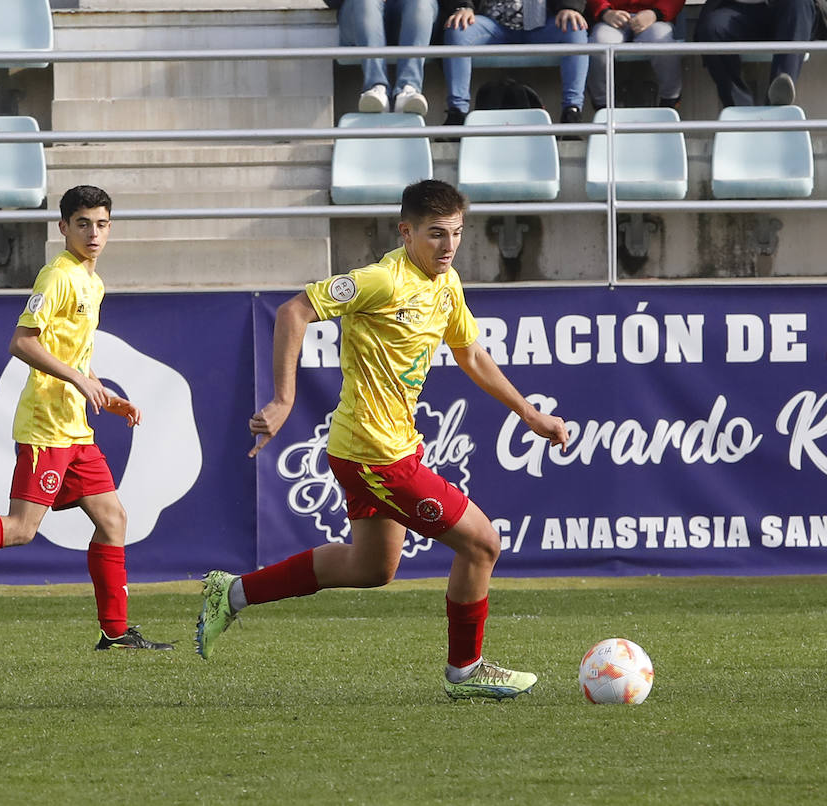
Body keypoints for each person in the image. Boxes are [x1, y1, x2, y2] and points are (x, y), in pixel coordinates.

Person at [195, 179, 570, 701]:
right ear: (406, 232)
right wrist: (283, 399)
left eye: (457, 233)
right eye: (436, 234)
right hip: (375, 454)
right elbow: (293, 312)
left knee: (371, 568)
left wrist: (529, 413)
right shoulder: (380, 281)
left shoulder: (446, 284)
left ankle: (231, 593)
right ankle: (466, 670)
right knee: (483, 543)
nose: (448, 245)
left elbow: (469, 353)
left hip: (387, 447)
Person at [0, 185, 173, 652]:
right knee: (21, 528)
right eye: (83, 224)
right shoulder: (57, 276)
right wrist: (77, 380)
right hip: (46, 426)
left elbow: (72, 353)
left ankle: (116, 633)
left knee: (113, 519)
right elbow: (22, 342)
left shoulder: (93, 282)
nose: (93, 233)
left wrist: (101, 391)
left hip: (76, 428)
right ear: (63, 227)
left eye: (101, 224)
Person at [441, 0, 589, 127]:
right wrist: (463, 6)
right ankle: (457, 113)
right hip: (493, 26)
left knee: (574, 27)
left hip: (542, 26)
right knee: (458, 28)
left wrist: (569, 6)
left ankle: (572, 111)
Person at [694, 0, 827, 108]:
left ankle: (779, 98)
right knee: (712, 28)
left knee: (797, 4)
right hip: (736, 10)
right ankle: (739, 110)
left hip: (790, 8)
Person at [327, 0, 442, 115]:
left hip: (410, 18)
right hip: (359, 17)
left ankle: (408, 89)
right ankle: (377, 88)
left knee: (421, 2)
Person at [585, 0, 685, 109]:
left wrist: (656, 14)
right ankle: (602, 104)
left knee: (662, 41)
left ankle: (670, 100)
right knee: (599, 43)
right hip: (612, 18)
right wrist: (604, 12)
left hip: (655, 20)